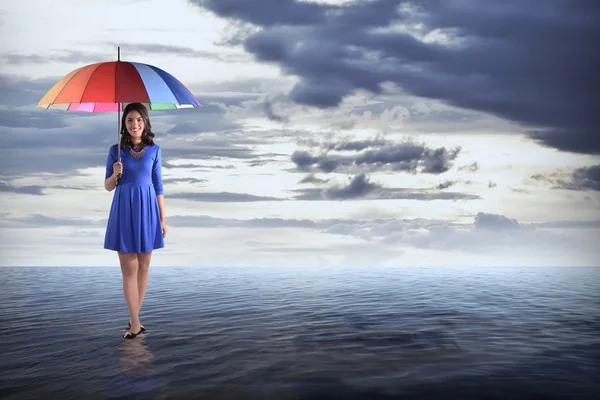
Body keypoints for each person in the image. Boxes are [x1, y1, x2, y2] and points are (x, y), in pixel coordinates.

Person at [103, 102, 167, 340]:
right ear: (124, 124)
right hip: (124, 209)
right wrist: (114, 174)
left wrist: (162, 218)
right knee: (129, 270)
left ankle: (134, 319)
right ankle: (136, 325)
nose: (134, 124)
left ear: (145, 122)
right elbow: (108, 187)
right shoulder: (115, 150)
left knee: (144, 267)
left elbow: (158, 185)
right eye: (129, 120)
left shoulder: (155, 150)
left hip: (148, 209)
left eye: (138, 119)